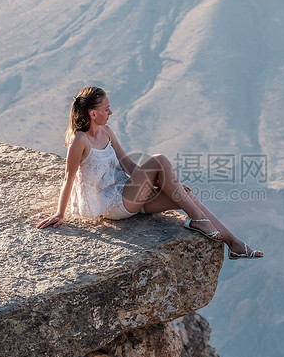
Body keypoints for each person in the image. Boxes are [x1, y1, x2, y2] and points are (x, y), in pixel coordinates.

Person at [37, 86, 263, 259]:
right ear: (93, 113)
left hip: (128, 194)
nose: (111, 112)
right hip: (112, 202)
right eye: (106, 109)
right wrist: (60, 213)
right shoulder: (80, 140)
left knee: (184, 196)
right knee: (159, 160)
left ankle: (234, 244)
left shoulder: (106, 131)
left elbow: (126, 163)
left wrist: (163, 185)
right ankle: (199, 221)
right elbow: (69, 176)